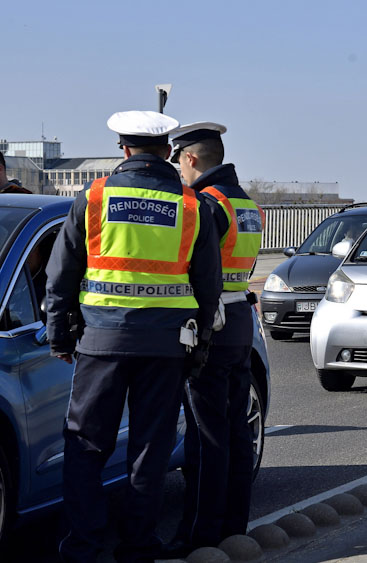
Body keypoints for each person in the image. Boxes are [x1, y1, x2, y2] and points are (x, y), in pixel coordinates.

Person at [46, 111, 222, 562]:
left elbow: (62, 271)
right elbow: (208, 287)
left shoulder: (95, 196)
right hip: (165, 347)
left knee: (85, 445)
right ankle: (138, 545)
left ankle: (84, 545)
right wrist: (200, 345)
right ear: (168, 152)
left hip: (101, 343)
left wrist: (59, 334)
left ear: (123, 150)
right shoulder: (191, 206)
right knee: (150, 447)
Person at [162, 122, 264, 557]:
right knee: (236, 432)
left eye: (179, 163)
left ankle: (199, 534)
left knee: (206, 438)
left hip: (212, 323)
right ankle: (233, 527)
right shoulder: (246, 204)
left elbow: (191, 266)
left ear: (191, 159)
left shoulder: (206, 203)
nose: (179, 172)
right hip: (240, 319)